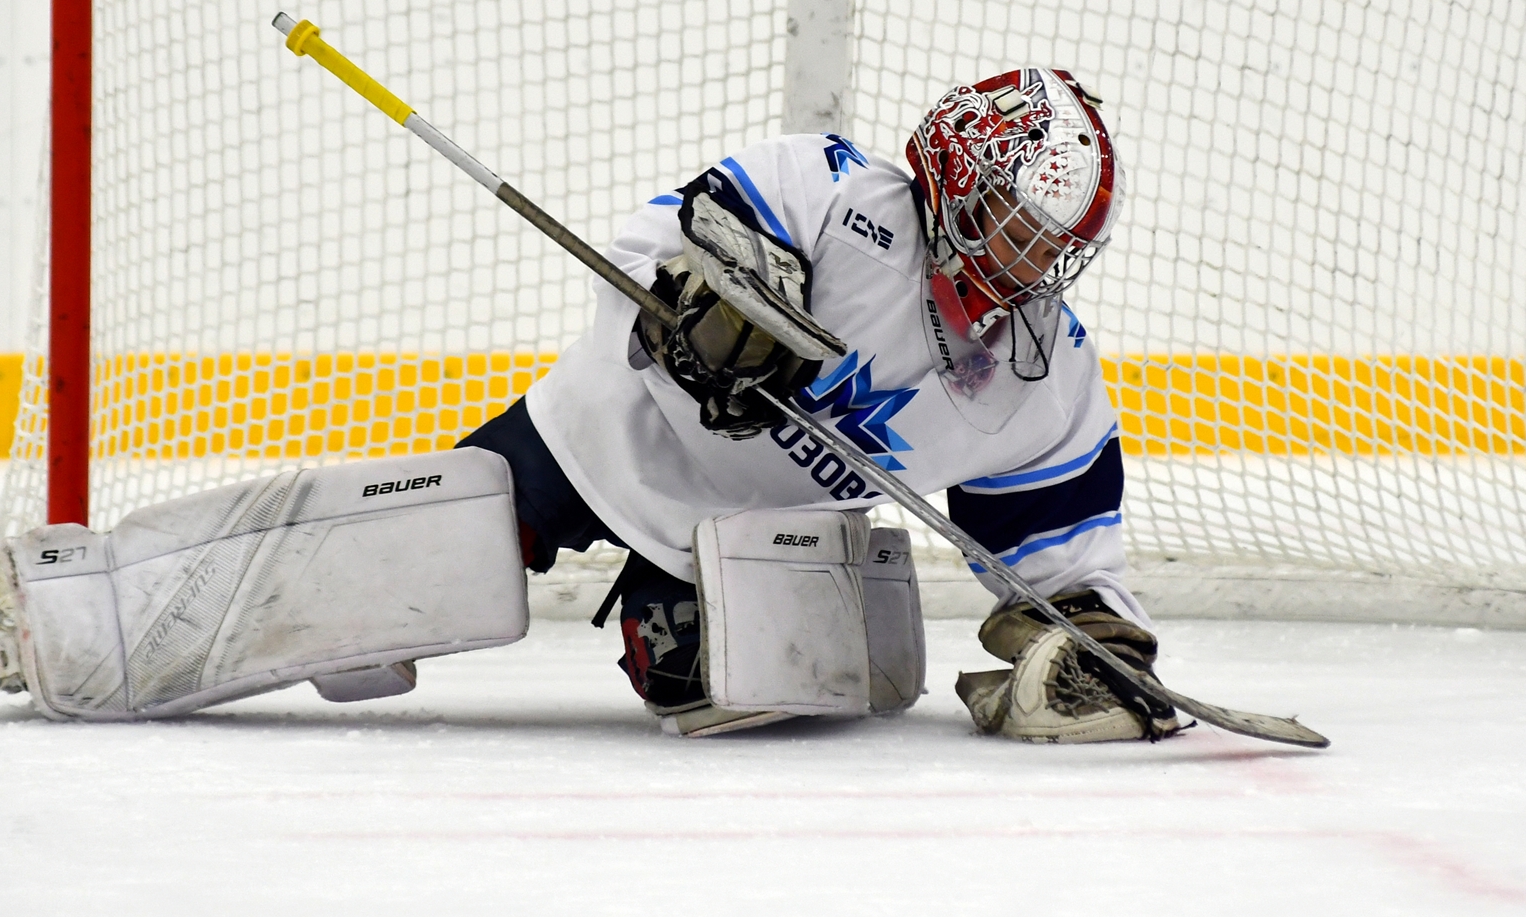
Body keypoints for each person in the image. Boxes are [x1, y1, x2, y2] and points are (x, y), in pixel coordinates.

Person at [458, 67, 1180, 742]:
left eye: (1056, 249)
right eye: (1020, 231)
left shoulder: (1046, 375)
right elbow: (644, 253)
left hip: (746, 546)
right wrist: (688, 315)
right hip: (600, 435)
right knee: (429, 553)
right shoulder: (825, 189)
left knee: (728, 684)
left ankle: (667, 600)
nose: (1033, 267)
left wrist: (1097, 637)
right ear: (960, 182)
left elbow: (1062, 560)